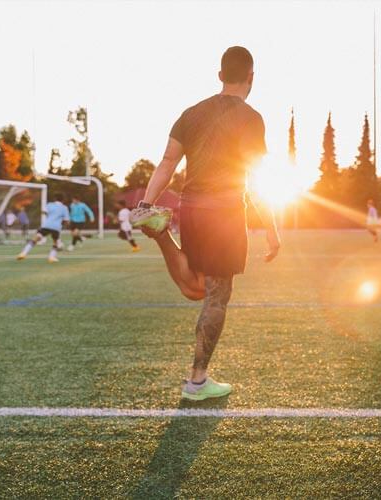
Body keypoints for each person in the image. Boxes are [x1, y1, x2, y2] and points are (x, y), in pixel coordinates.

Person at [130, 46, 279, 401]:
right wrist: (272, 231)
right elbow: (257, 178)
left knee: (197, 288)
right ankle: (197, 380)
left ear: (219, 75)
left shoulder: (190, 114)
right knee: (216, 295)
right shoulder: (252, 118)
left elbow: (168, 162)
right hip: (226, 212)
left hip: (191, 208)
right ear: (251, 77)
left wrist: (147, 203)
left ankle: (162, 234)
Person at [17, 193, 69, 263]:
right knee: (55, 242)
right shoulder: (64, 208)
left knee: (36, 238)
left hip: (46, 225)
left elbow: (44, 211)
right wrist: (62, 223)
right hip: (56, 227)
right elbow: (67, 220)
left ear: (55, 199)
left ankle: (23, 253)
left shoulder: (50, 204)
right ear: (63, 200)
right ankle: (51, 257)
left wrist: (50, 217)